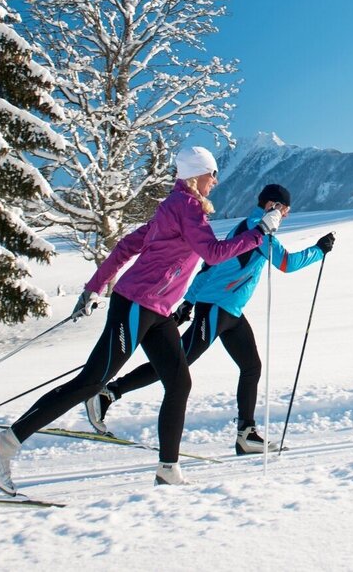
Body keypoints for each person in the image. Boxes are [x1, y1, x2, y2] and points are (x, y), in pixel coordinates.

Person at [0, 146, 279, 491]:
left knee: (179, 383)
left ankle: (168, 469)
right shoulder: (186, 207)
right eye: (212, 174)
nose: (216, 181)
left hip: (158, 311)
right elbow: (213, 253)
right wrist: (259, 232)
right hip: (136, 303)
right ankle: (2, 447)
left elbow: (126, 246)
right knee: (90, 381)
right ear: (197, 174)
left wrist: (94, 288)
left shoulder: (173, 208)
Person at [84, 183, 335, 456]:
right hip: (216, 308)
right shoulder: (257, 230)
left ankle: (246, 434)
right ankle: (109, 393)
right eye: (284, 209)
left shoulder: (247, 227)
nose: (285, 215)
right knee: (177, 364)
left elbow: (210, 266)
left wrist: (189, 302)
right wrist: (319, 250)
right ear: (271, 206)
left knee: (251, 366)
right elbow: (286, 263)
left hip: (230, 311)